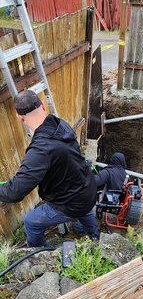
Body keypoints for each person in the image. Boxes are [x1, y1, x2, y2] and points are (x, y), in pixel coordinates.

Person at [0, 90, 99, 247]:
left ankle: (41, 254)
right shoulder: (60, 124)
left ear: (20, 118)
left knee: (31, 222)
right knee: (85, 209)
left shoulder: (40, 150)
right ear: (44, 106)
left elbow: (15, 192)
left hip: (72, 201)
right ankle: (95, 236)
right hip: (88, 188)